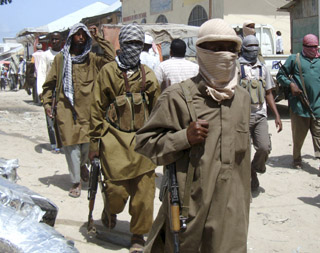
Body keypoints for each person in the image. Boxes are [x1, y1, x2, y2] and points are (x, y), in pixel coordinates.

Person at [135, 18, 251, 253]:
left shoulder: (242, 98)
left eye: (231, 49)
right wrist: (184, 138)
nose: (225, 55)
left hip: (233, 208)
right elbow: (144, 143)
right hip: (191, 208)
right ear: (201, 51)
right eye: (217, 49)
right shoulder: (177, 97)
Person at [88, 23, 160, 252]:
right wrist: (94, 144)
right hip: (114, 141)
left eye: (138, 44)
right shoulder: (108, 72)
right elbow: (96, 109)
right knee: (116, 194)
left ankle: (138, 235)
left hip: (142, 143)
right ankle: (110, 210)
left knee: (144, 196)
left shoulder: (147, 75)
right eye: (129, 44)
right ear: (121, 45)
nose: (133, 48)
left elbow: (158, 109)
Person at [41, 23, 115, 198]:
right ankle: (76, 181)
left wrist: (99, 38)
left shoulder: (93, 59)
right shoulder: (60, 60)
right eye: (77, 34)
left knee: (86, 146)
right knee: (71, 146)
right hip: (67, 110)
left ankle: (82, 166)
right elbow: (49, 84)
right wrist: (46, 104)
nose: (81, 37)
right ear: (71, 37)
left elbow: (111, 58)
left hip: (89, 110)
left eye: (84, 35)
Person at [276, 34, 320, 174]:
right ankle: (297, 158)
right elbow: (281, 75)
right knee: (299, 135)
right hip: (300, 105)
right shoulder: (295, 59)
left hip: (319, 104)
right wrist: (291, 84)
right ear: (305, 47)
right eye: (311, 47)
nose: (314, 50)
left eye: (316, 47)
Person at [239, 35, 282, 192]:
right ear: (243, 48)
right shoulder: (236, 67)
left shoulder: (263, 68)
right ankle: (250, 177)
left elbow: (269, 93)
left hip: (260, 114)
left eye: (256, 47)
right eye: (250, 47)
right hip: (241, 117)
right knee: (243, 151)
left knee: (264, 147)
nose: (253, 50)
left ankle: (254, 168)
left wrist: (277, 115)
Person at [33, 33, 63, 154]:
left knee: (62, 119)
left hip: (62, 91)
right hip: (50, 91)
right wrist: (41, 92)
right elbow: (41, 73)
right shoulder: (46, 56)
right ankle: (54, 143)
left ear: (61, 41)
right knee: (50, 119)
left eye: (57, 39)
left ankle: (63, 142)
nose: (55, 41)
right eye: (53, 39)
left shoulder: (64, 54)